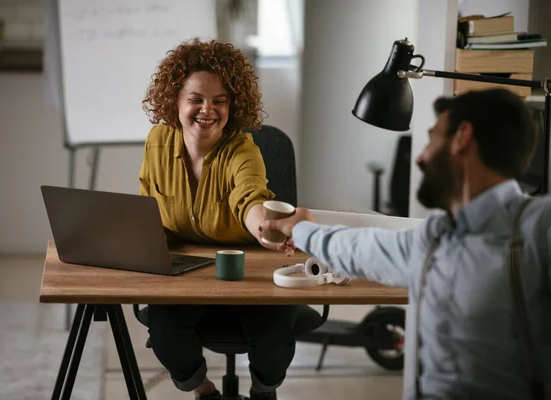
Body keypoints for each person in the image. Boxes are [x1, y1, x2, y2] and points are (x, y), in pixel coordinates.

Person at [260, 88, 551, 400]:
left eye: (432, 138)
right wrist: (300, 229)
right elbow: (360, 248)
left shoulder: (539, 228)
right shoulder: (433, 239)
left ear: (462, 137)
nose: (421, 157)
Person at [138, 39, 296, 400]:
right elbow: (149, 212)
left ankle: (263, 392)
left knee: (275, 335)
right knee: (164, 329)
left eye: (220, 100)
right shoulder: (157, 143)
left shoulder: (243, 150)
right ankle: (204, 393)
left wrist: (264, 228)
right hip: (185, 275)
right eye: (196, 98)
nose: (207, 110)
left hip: (248, 274)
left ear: (233, 105)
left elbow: (250, 198)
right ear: (175, 101)